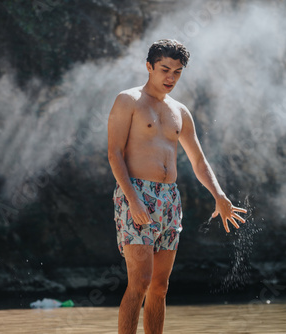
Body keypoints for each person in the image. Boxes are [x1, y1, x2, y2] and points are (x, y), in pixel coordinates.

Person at [107, 39, 247, 334]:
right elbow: (114, 153)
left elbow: (198, 161)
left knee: (159, 286)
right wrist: (132, 199)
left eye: (177, 72)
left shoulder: (180, 111)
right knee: (140, 282)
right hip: (137, 193)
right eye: (165, 69)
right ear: (149, 67)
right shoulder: (128, 100)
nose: (170, 77)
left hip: (170, 199)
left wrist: (219, 195)